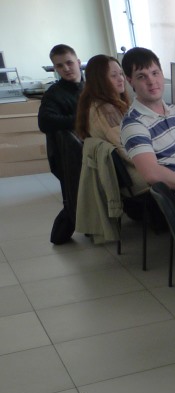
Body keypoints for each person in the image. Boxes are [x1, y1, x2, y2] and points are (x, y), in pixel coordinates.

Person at [119, 46, 175, 221]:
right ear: (130, 81)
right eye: (142, 76)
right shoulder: (134, 124)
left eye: (155, 73)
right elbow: (153, 174)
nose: (151, 81)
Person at [74, 54, 145, 190]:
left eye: (121, 74)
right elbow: (129, 151)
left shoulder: (94, 104)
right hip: (137, 178)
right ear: (99, 81)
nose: (121, 79)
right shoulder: (108, 111)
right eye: (113, 76)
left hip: (130, 174)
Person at [38, 44, 84, 244]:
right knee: (73, 200)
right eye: (59, 66)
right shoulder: (54, 93)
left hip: (92, 147)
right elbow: (45, 122)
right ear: (54, 68)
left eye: (69, 63)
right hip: (69, 156)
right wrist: (81, 120)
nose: (66, 68)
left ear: (78, 62)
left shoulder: (93, 87)